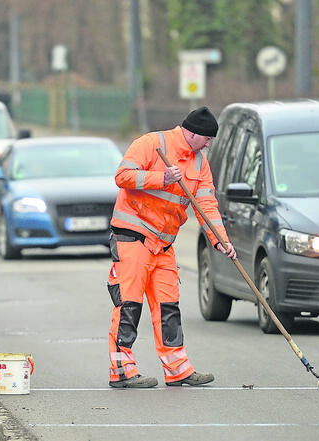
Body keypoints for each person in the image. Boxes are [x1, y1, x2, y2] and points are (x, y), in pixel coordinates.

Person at [106, 106, 236, 388]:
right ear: (192, 133)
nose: (209, 144)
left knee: (168, 308)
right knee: (128, 305)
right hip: (133, 237)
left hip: (163, 245)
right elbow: (122, 176)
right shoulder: (151, 144)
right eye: (207, 139)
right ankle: (121, 371)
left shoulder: (200, 164)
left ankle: (177, 369)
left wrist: (221, 240)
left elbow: (207, 205)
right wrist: (160, 178)